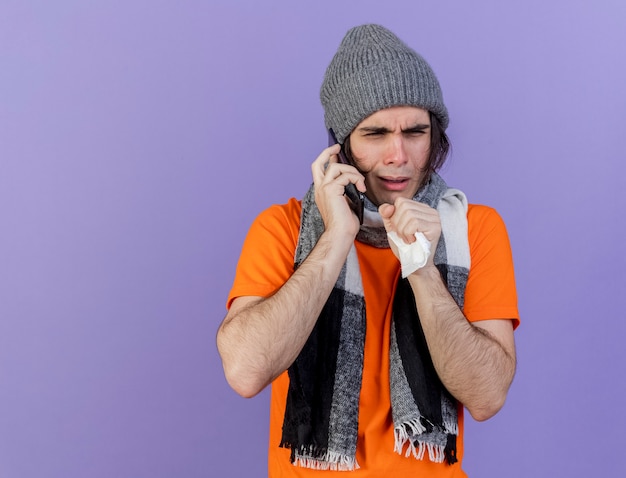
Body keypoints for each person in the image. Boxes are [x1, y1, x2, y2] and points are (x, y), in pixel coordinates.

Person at [217, 24, 519, 477]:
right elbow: (244, 372)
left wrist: (422, 268)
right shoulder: (282, 228)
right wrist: (337, 237)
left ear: (434, 137)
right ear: (341, 146)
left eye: (415, 132)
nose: (398, 155)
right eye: (375, 134)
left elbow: (487, 395)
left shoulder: (475, 229)